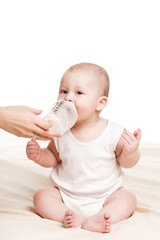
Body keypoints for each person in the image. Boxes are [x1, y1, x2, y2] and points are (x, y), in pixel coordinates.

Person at [26, 63, 141, 233]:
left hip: (106, 195)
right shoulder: (60, 131)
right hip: (65, 195)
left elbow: (126, 162)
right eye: (64, 91)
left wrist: (130, 152)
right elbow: (53, 157)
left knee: (128, 199)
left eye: (78, 93)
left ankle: (102, 216)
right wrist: (39, 155)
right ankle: (67, 215)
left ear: (100, 103)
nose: (68, 98)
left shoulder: (113, 132)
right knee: (41, 197)